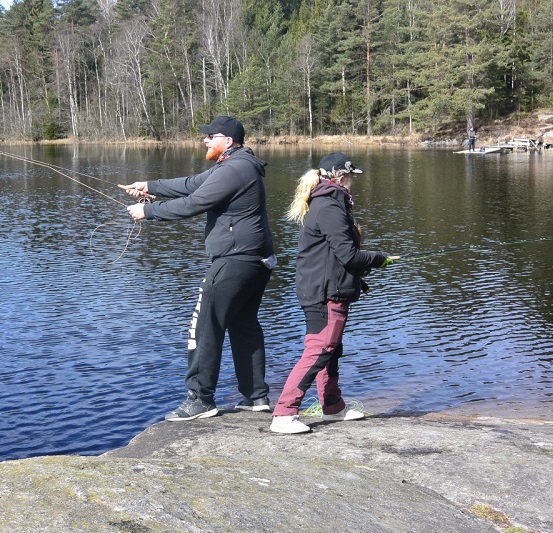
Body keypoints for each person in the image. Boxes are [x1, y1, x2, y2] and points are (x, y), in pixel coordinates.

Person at [125, 116, 276, 421]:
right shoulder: (235, 165)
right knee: (244, 326)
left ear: (228, 141)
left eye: (210, 136)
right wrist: (150, 185)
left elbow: (195, 202)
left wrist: (148, 211)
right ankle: (256, 397)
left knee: (204, 327)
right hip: (254, 261)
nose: (205, 140)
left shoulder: (234, 169)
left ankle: (200, 399)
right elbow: (192, 184)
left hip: (234, 260)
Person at [269, 152, 399, 434]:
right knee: (320, 349)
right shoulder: (329, 206)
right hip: (324, 292)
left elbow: (334, 257)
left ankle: (332, 406)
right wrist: (378, 258)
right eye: (352, 176)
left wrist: (359, 277)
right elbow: (349, 255)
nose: (353, 182)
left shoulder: (329, 202)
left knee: (331, 350)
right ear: (341, 176)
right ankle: (284, 414)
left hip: (326, 288)